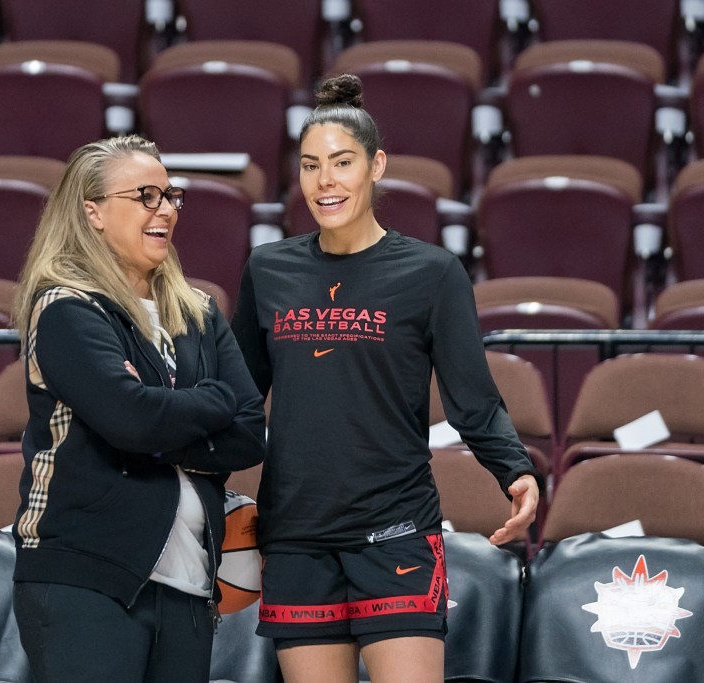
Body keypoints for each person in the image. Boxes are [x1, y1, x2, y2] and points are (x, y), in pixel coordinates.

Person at [230, 74, 542, 683]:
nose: (325, 181)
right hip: (296, 536)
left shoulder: (432, 273)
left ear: (376, 166)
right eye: (311, 166)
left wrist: (516, 469)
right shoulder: (268, 270)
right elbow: (238, 400)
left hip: (396, 530)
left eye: (342, 163)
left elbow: (473, 400)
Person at [10, 134, 266, 682]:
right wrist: (212, 399)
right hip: (85, 576)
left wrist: (156, 420)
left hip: (190, 583)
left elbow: (248, 432)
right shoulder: (66, 308)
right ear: (93, 212)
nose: (165, 209)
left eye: (170, 196)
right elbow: (132, 420)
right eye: (146, 196)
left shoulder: (199, 311)